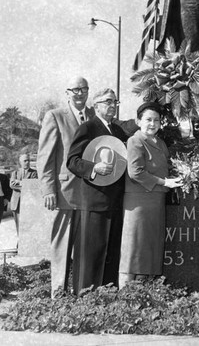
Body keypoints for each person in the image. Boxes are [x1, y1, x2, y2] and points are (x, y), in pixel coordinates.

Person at [66, 88, 130, 294]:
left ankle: (108, 297)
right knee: (91, 253)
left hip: (116, 201)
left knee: (111, 252)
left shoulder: (119, 132)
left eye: (115, 102)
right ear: (96, 106)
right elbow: (72, 161)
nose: (113, 106)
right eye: (108, 101)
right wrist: (94, 168)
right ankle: (85, 297)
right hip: (94, 201)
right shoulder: (88, 128)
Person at [37, 75, 95, 296]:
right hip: (64, 193)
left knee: (85, 245)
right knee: (62, 246)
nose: (80, 93)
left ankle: (82, 291)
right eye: (75, 90)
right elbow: (45, 156)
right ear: (67, 93)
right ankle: (58, 293)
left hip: (91, 192)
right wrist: (48, 190)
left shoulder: (93, 115)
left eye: (84, 89)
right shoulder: (55, 116)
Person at [118, 102, 182, 288]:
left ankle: (145, 294)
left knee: (149, 250)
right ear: (138, 121)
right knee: (134, 250)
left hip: (156, 201)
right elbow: (135, 172)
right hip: (138, 203)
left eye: (156, 120)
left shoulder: (160, 143)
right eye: (148, 119)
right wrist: (164, 182)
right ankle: (125, 296)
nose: (152, 123)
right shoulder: (135, 141)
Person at [10, 153, 37, 239]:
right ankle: (19, 244)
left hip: (28, 203)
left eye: (28, 160)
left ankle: (26, 244)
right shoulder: (15, 173)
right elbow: (12, 185)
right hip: (16, 203)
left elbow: (33, 185)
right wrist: (26, 185)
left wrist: (20, 182)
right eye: (25, 161)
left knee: (28, 225)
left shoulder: (34, 173)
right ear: (20, 162)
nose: (27, 162)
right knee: (18, 224)